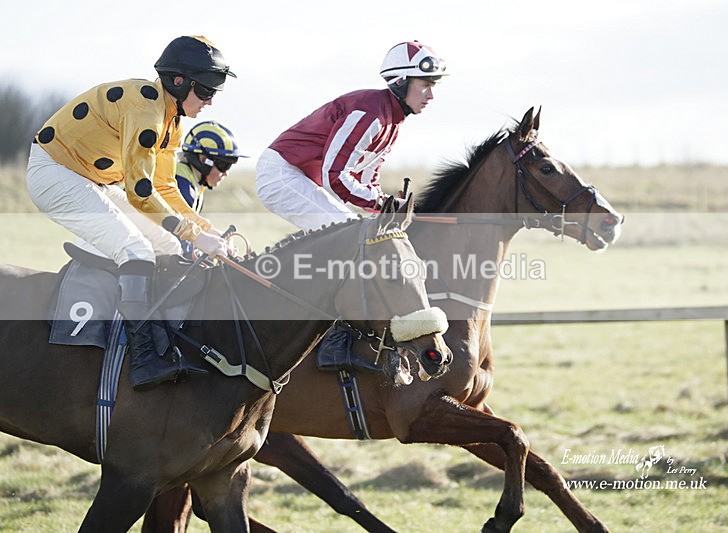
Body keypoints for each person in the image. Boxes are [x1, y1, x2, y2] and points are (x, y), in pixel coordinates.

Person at [26, 35, 235, 391]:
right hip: (55, 173)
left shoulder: (172, 119)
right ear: (178, 82)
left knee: (169, 247)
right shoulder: (146, 111)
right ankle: (142, 358)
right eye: (205, 92)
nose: (210, 101)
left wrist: (205, 228)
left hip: (91, 179)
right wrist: (193, 234)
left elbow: (165, 188)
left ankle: (166, 344)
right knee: (135, 249)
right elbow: (141, 194)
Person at [255, 40, 447, 231]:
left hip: (306, 179)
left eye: (433, 86)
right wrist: (386, 204)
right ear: (400, 81)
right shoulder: (369, 113)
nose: (431, 96)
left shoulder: (391, 124)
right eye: (425, 85)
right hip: (282, 174)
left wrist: (388, 207)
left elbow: (365, 180)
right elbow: (334, 177)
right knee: (350, 232)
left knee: (366, 232)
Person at [171, 120, 244, 256]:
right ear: (204, 159)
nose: (226, 173)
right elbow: (179, 239)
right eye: (224, 165)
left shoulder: (194, 183)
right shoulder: (182, 184)